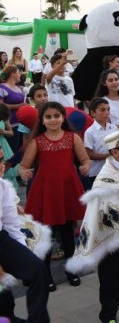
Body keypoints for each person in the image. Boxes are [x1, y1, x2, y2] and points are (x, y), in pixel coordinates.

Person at [67, 125, 119, 323]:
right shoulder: (104, 178)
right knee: (110, 277)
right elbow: (97, 211)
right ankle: (108, 315)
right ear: (114, 152)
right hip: (109, 236)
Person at [18, 102, 92, 291]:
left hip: (66, 190)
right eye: (48, 117)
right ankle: (46, 274)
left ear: (63, 117)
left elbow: (84, 158)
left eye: (56, 116)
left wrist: (85, 166)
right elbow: (24, 165)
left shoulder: (72, 138)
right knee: (47, 236)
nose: (53, 120)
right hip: (46, 193)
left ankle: (71, 270)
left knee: (68, 235)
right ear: (42, 120)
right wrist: (24, 172)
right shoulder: (37, 141)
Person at [0, 162, 50, 323]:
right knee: (3, 294)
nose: (1, 166)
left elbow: (10, 223)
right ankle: (6, 317)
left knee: (37, 269)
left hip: (1, 238)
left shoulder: (2, 186)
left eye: (1, 160)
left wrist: (24, 252)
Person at [83, 98, 118, 188]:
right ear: (93, 113)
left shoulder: (114, 128)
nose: (106, 112)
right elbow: (89, 154)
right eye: (102, 110)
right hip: (97, 172)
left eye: (108, 109)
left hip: (114, 170)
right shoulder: (90, 132)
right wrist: (109, 156)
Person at [0, 65, 26, 151]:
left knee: (19, 150)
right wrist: (18, 106)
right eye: (18, 73)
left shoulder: (18, 88)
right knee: (11, 149)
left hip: (21, 124)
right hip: (10, 124)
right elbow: (1, 106)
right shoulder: (2, 87)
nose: (20, 75)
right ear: (12, 74)